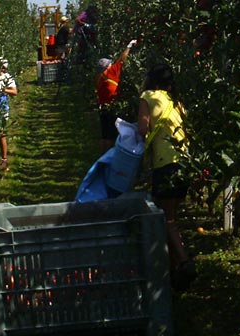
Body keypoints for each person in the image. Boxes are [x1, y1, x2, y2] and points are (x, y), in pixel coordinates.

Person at [137, 64, 197, 292]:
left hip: (166, 164)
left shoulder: (147, 97)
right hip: (185, 163)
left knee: (166, 220)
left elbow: (142, 129)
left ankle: (185, 262)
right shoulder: (176, 102)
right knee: (172, 216)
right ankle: (174, 272)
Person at [96, 39, 137, 149]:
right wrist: (129, 46)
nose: (112, 64)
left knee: (105, 134)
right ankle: (111, 157)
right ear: (107, 67)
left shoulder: (99, 77)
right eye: (110, 64)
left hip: (102, 107)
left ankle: (103, 156)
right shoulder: (110, 73)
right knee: (112, 135)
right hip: (111, 108)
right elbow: (122, 60)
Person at [0, 58, 18, 169]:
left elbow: (14, 92)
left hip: (1, 107)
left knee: (1, 133)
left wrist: (3, 89)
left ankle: (4, 159)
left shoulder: (7, 77)